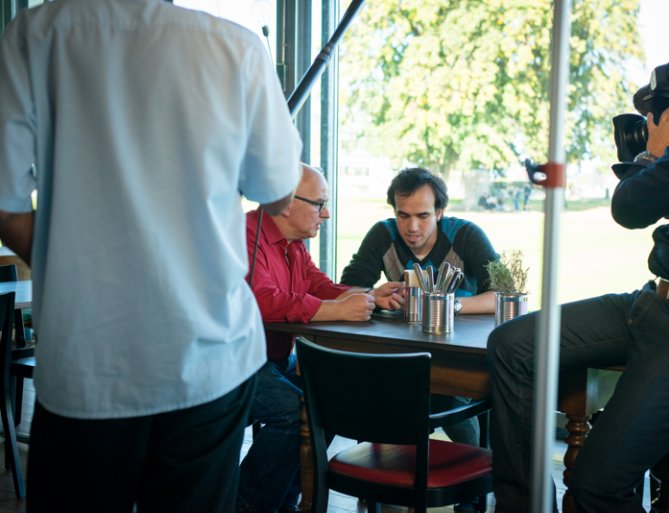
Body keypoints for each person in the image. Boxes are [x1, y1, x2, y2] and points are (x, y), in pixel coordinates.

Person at [0, 1, 302, 511]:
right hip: (209, 354)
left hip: (87, 357)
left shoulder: (36, 32)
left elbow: (6, 207)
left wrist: (73, 267)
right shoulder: (236, 47)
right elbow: (278, 195)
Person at [487, 15, 669, 513]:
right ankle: (526, 504)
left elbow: (629, 208)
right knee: (515, 345)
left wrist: (654, 154)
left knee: (598, 485)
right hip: (656, 303)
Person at [238, 164, 404, 513]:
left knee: (328, 405)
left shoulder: (294, 245)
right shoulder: (245, 235)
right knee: (295, 413)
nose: (326, 214)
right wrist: (335, 310)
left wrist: (370, 296)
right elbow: (263, 299)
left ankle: (285, 501)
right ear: (284, 203)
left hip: (276, 358)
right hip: (237, 363)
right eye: (319, 204)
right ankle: (247, 505)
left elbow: (319, 286)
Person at [341, 167, 499, 449]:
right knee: (375, 394)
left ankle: (476, 477)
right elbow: (345, 290)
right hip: (401, 355)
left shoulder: (465, 236)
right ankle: (384, 477)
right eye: (403, 215)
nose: (412, 227)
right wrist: (372, 295)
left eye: (423, 216)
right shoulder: (382, 235)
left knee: (448, 399)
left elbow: (504, 294)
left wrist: (452, 305)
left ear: (439, 212)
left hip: (457, 353)